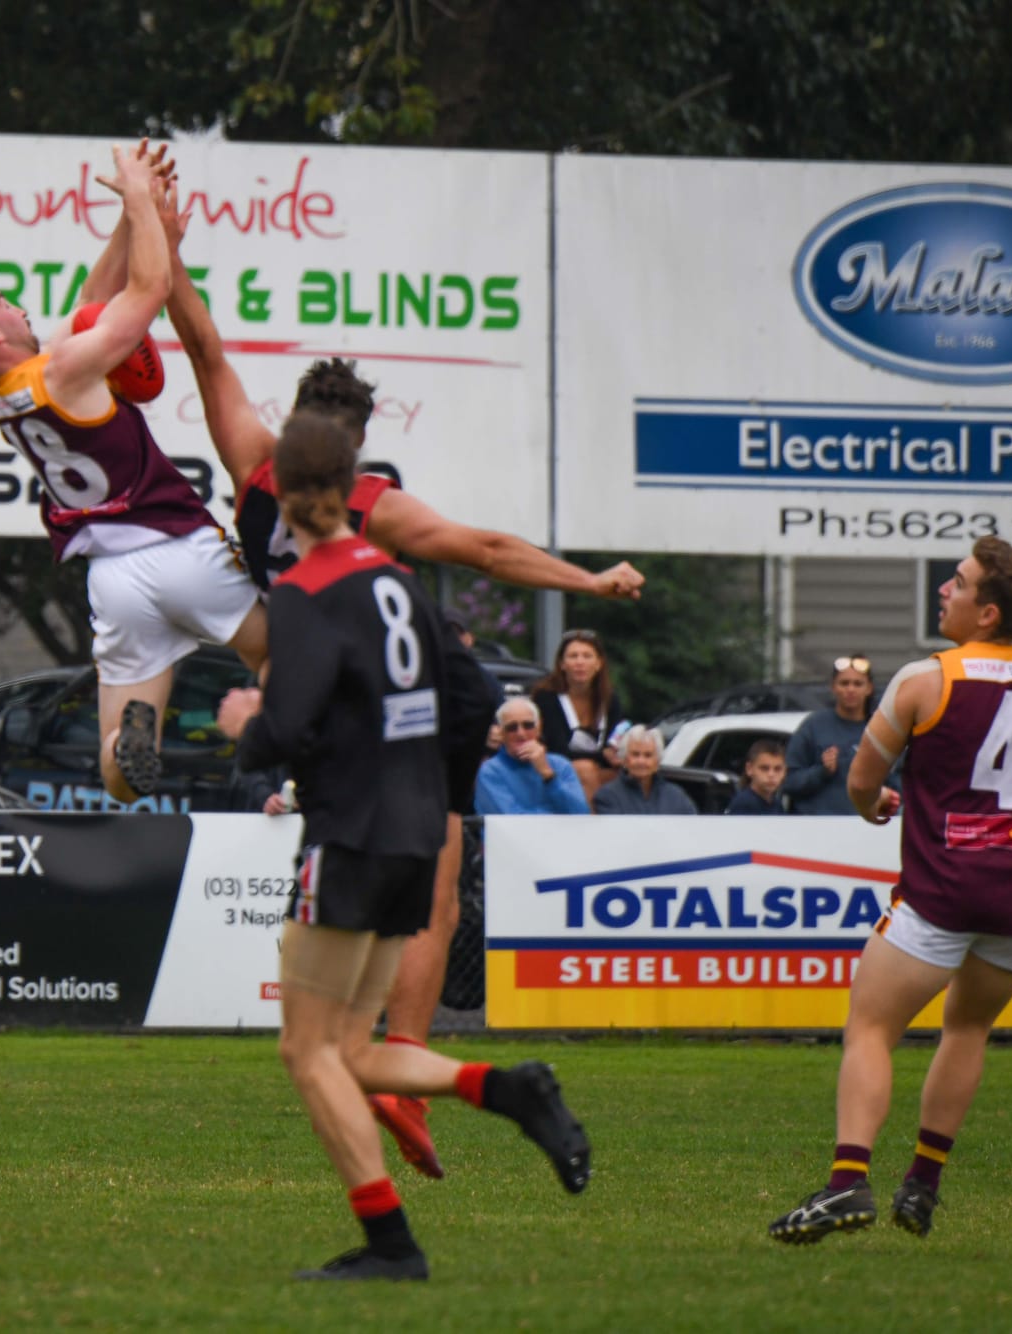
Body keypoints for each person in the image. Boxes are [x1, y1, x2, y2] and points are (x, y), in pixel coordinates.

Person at [160, 177, 635, 1179]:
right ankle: (409, 1060)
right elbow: (493, 549)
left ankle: (402, 1081)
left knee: (322, 1007)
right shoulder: (377, 510)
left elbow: (199, 342)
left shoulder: (252, 463)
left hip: (333, 719)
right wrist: (587, 576)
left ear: (293, 428)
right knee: (437, 888)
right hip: (405, 706)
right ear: (357, 443)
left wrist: (157, 236)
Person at [215, 413, 589, 1281]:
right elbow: (468, 703)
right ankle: (508, 1088)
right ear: (351, 490)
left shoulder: (305, 592)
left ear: (279, 501)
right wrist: (436, 793)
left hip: (350, 836)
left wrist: (247, 725)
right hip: (420, 832)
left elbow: (289, 726)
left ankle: (390, 1245)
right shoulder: (403, 583)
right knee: (347, 1048)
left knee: (305, 1052)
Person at [768, 538, 1012, 1244]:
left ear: (987, 612)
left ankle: (846, 1185)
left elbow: (863, 782)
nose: (943, 591)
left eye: (956, 584)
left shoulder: (926, 680)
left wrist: (873, 810)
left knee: (871, 1027)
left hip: (942, 890)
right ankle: (922, 1185)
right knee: (967, 1028)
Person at [0, 142, 265, 803]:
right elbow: (151, 290)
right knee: (281, 661)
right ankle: (304, 776)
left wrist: (136, 225)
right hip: (178, 547)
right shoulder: (62, 369)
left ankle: (121, 747)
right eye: (6, 304)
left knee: (121, 768)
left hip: (114, 580)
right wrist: (140, 194)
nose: (20, 308)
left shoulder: (17, 394)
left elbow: (91, 299)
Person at [530, 629, 629, 803]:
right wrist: (602, 756)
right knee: (585, 769)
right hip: (555, 770)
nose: (580, 662)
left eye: (587, 656)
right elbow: (558, 749)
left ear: (598, 663)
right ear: (562, 664)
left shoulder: (610, 699)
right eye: (573, 656)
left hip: (600, 772)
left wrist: (616, 755)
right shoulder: (547, 697)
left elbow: (614, 743)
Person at [782, 655, 877, 815]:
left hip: (864, 828)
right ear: (833, 687)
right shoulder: (813, 726)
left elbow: (896, 784)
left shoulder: (879, 731)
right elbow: (789, 782)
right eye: (844, 683)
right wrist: (822, 771)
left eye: (858, 684)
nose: (850, 689)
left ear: (869, 689)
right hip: (818, 827)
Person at [472, 697, 590, 815]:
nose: (521, 733)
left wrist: (548, 775)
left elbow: (581, 814)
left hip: (560, 833)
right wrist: (554, 816)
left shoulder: (560, 765)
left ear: (539, 728)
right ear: (501, 733)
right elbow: (510, 821)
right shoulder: (490, 771)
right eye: (512, 728)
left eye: (528, 725)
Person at [591, 725, 696, 815]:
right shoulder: (608, 796)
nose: (641, 761)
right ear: (624, 759)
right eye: (635, 754)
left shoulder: (677, 797)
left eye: (648, 755)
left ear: (657, 761)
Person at [725, 738, 788, 815]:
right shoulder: (743, 804)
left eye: (777, 769)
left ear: (784, 772)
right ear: (749, 769)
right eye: (764, 768)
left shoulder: (777, 804)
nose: (771, 774)